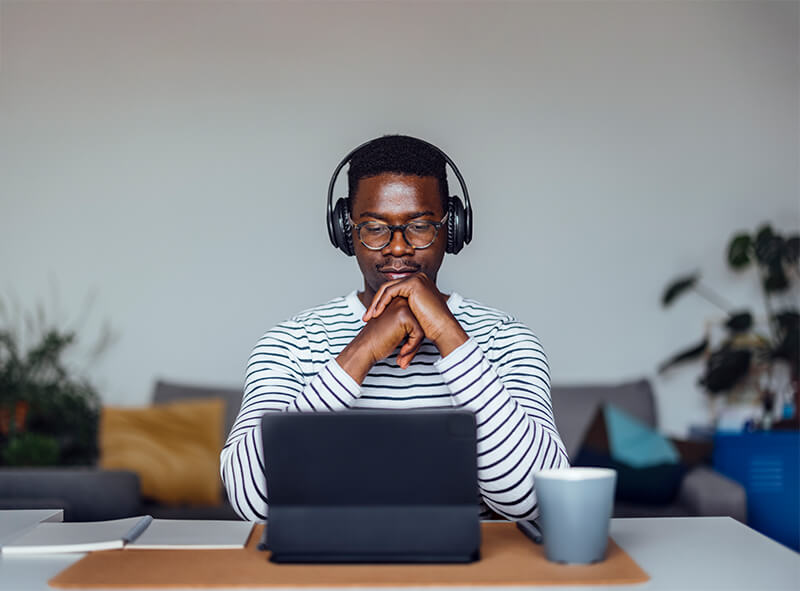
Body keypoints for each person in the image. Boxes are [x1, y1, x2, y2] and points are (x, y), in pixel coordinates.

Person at [220, 135, 569, 522]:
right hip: (329, 575)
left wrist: (450, 337)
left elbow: (534, 500)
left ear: (452, 228)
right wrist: (361, 352)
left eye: (420, 226)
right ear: (345, 231)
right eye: (374, 228)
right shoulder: (290, 344)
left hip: (471, 577)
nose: (398, 248)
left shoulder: (506, 340)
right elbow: (253, 501)